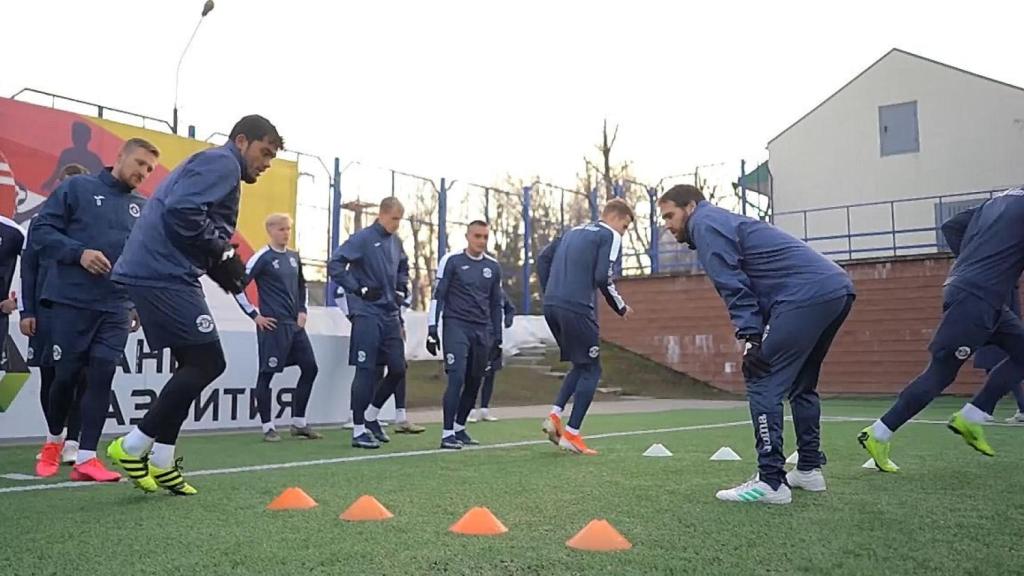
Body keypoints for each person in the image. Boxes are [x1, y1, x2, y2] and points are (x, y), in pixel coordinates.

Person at [107, 115, 283, 496]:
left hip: (166, 271)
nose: (267, 164)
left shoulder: (218, 166)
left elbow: (192, 220)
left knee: (192, 366)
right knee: (209, 362)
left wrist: (220, 264)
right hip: (160, 272)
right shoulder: (222, 163)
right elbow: (182, 212)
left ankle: (163, 460)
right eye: (264, 152)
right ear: (241, 141)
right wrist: (221, 254)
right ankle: (133, 445)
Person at [659, 185, 855, 505]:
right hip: (835, 288)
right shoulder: (722, 220)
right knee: (802, 383)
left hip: (804, 295)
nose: (667, 224)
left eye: (670, 215)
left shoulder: (704, 225)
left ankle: (771, 481)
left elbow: (732, 284)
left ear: (691, 207)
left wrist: (751, 338)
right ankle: (808, 470)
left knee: (761, 377)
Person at [860, 188, 1024, 472]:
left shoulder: (999, 200)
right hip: (977, 297)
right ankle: (879, 433)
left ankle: (973, 415)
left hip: (979, 294)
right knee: (941, 371)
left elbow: (953, 225)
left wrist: (973, 261)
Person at [32, 138, 159, 481]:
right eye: (139, 163)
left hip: (116, 306)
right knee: (66, 377)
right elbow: (41, 231)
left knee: (102, 374)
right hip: (72, 301)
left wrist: (135, 303)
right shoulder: (77, 187)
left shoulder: (143, 206)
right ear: (119, 157)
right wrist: (79, 253)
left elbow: (141, 260)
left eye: (149, 169)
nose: (143, 173)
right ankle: (54, 441)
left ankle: (87, 457)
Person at [536, 199, 633, 455]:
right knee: (593, 369)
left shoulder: (573, 231)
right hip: (576, 308)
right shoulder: (609, 235)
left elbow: (543, 259)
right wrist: (620, 306)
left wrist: (551, 294)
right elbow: (603, 277)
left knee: (581, 365)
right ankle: (572, 434)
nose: (623, 232)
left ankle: (555, 416)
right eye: (624, 226)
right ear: (615, 217)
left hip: (552, 307)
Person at [328, 197, 409, 449]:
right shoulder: (362, 238)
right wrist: (358, 289)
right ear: (382, 214)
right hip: (367, 314)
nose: (397, 224)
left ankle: (372, 415)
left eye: (400, 219)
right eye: (394, 219)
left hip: (390, 315)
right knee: (365, 370)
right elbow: (335, 264)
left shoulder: (396, 242)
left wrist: (401, 290)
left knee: (398, 368)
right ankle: (359, 429)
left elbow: (403, 268)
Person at [21, 164, 87, 465]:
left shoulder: (90, 223)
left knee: (79, 376)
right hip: (46, 310)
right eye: (66, 185)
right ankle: (55, 439)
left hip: (78, 309)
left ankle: (74, 442)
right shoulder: (41, 223)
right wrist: (28, 310)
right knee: (49, 377)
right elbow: (29, 268)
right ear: (58, 185)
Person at [234, 213, 321, 442]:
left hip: (295, 325)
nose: (286, 233)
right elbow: (236, 286)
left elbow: (301, 285)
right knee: (267, 374)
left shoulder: (293, 256)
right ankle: (267, 426)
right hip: (272, 326)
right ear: (270, 230)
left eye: (289, 229)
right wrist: (255, 315)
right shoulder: (261, 257)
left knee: (310, 368)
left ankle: (299, 422)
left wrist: (303, 310)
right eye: (282, 229)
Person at [425, 220, 503, 449]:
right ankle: (447, 433)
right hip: (456, 326)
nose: (481, 241)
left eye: (485, 237)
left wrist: (497, 338)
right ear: (467, 236)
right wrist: (432, 330)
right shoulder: (451, 261)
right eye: (477, 236)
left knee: (474, 381)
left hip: (481, 330)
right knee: (457, 377)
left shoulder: (493, 267)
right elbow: (438, 296)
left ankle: (460, 428)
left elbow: (495, 304)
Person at [973, 285, 1024, 424]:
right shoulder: (1007, 282)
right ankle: (986, 410)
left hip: (997, 328)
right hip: (1001, 328)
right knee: (997, 368)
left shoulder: (1000, 283)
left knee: (1007, 370)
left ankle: (986, 410)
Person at [469, 290, 515, 423]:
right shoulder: (477, 291)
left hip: (494, 337)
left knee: (490, 373)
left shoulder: (500, 293)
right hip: (478, 336)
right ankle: (469, 409)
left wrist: (508, 319)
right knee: (474, 374)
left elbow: (510, 308)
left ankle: (484, 409)